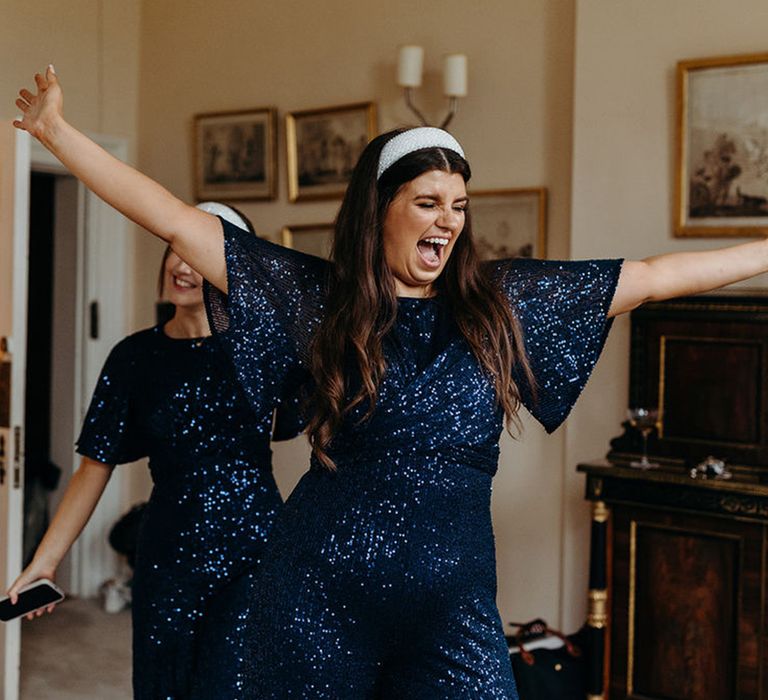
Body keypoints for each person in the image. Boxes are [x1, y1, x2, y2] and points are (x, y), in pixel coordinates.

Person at [14, 66, 768, 698]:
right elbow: (178, 221)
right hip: (318, 591)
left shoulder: (502, 303)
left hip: (452, 602)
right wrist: (55, 132)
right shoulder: (318, 300)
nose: (449, 221)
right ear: (382, 210)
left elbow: (655, 275)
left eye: (460, 207)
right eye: (429, 203)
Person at [7, 202, 290, 699]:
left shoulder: (266, 351)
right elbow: (94, 467)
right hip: (167, 555)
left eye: (199, 254)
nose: (181, 266)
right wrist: (45, 561)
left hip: (254, 554)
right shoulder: (134, 358)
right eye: (175, 249)